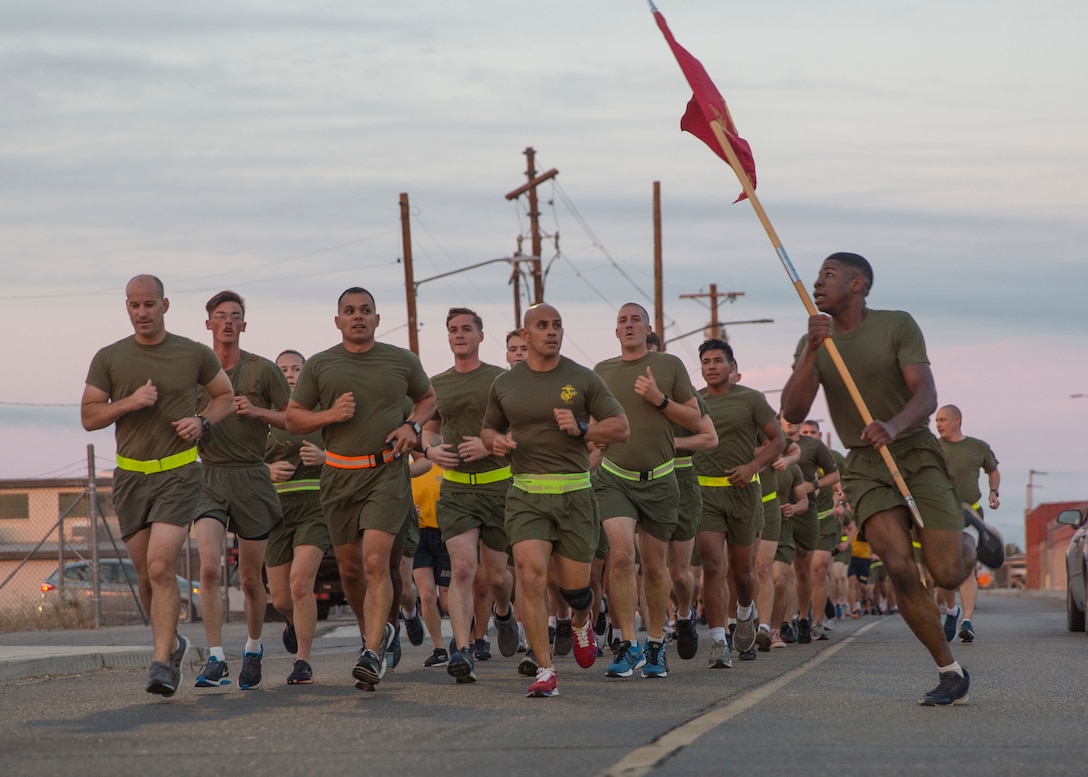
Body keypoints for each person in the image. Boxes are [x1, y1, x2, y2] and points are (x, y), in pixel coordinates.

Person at [781, 251, 1004, 706]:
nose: (818, 283)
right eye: (818, 276)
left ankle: (969, 533)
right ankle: (949, 671)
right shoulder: (816, 341)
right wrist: (810, 350)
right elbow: (793, 411)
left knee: (944, 573)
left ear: (858, 284)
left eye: (829, 275)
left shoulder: (897, 325)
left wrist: (895, 425)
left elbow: (926, 393)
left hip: (914, 450)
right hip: (865, 466)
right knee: (900, 568)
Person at [81, 274, 233, 696]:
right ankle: (174, 643)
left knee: (163, 566)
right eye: (134, 305)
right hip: (130, 477)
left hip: (180, 473)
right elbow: (89, 416)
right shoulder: (110, 358)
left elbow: (224, 395)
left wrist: (202, 422)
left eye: (149, 304)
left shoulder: (193, 353)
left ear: (165, 306)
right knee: (146, 575)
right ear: (127, 308)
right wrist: (131, 402)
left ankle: (161, 662)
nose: (142, 312)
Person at [286, 287, 436, 691]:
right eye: (349, 311)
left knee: (376, 562)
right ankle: (372, 632)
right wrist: (330, 414)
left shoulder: (401, 360)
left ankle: (372, 651)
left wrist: (413, 426)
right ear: (337, 320)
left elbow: (427, 399)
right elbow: (294, 418)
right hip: (338, 477)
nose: (358, 316)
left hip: (386, 472)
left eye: (365, 310)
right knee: (352, 570)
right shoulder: (320, 365)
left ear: (377, 319)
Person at [482, 303, 629, 697]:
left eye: (558, 325)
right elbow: (488, 430)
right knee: (530, 577)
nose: (552, 331)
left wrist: (582, 427)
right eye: (543, 325)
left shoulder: (582, 379)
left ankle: (582, 620)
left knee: (575, 591)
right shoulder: (505, 384)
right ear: (524, 335)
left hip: (575, 495)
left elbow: (621, 428)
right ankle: (545, 670)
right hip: (527, 494)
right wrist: (494, 441)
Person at [592, 303, 701, 679]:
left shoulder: (669, 366)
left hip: (660, 479)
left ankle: (656, 645)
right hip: (613, 477)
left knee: (655, 567)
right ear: (616, 331)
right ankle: (627, 644)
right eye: (622, 321)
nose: (628, 325)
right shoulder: (602, 372)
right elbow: (594, 428)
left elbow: (694, 419)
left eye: (635, 319)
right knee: (621, 557)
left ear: (648, 327)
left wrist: (660, 399)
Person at [191, 291, 292, 692]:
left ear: (244, 325)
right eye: (220, 316)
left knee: (251, 580)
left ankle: (253, 648)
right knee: (210, 568)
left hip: (252, 476)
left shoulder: (263, 371)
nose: (228, 322)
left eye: (235, 316)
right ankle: (216, 658)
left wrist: (259, 412)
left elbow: (292, 418)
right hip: (209, 476)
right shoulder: (196, 369)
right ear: (209, 324)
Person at [422, 307, 518, 684]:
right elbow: (428, 430)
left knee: (496, 577)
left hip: (498, 485)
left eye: (466, 329)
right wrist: (431, 450)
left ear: (480, 335)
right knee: (462, 570)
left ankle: (505, 612)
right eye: (453, 330)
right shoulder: (437, 384)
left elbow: (519, 432)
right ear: (447, 338)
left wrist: (491, 446)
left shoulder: (499, 380)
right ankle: (461, 651)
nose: (459, 334)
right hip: (457, 488)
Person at [693, 339, 786, 668]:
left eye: (718, 360)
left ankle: (745, 613)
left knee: (743, 573)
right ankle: (719, 641)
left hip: (744, 495)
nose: (712, 366)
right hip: (705, 495)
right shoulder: (694, 402)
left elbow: (779, 440)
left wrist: (752, 467)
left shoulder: (751, 399)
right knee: (712, 568)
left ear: (732, 368)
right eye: (706, 361)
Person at [264, 349, 331, 685]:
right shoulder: (265, 417)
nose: (289, 374)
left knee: (301, 583)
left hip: (315, 505)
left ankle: (302, 660)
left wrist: (325, 457)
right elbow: (242, 462)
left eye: (296, 369)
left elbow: (348, 452)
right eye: (282, 369)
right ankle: (292, 621)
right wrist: (266, 470)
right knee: (280, 598)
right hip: (275, 511)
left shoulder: (320, 412)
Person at [934, 404, 1001, 643]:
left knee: (967, 566)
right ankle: (952, 611)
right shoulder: (933, 447)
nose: (938, 424)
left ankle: (968, 621)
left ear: (957, 420)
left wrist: (994, 492)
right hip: (941, 515)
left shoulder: (978, 447)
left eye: (942, 420)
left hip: (970, 514)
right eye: (936, 421)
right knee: (945, 571)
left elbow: (993, 470)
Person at [410, 459, 452, 667]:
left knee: (447, 601)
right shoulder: (406, 466)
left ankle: (465, 639)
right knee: (426, 594)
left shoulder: (443, 462)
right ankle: (439, 649)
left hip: (445, 534)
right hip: (419, 535)